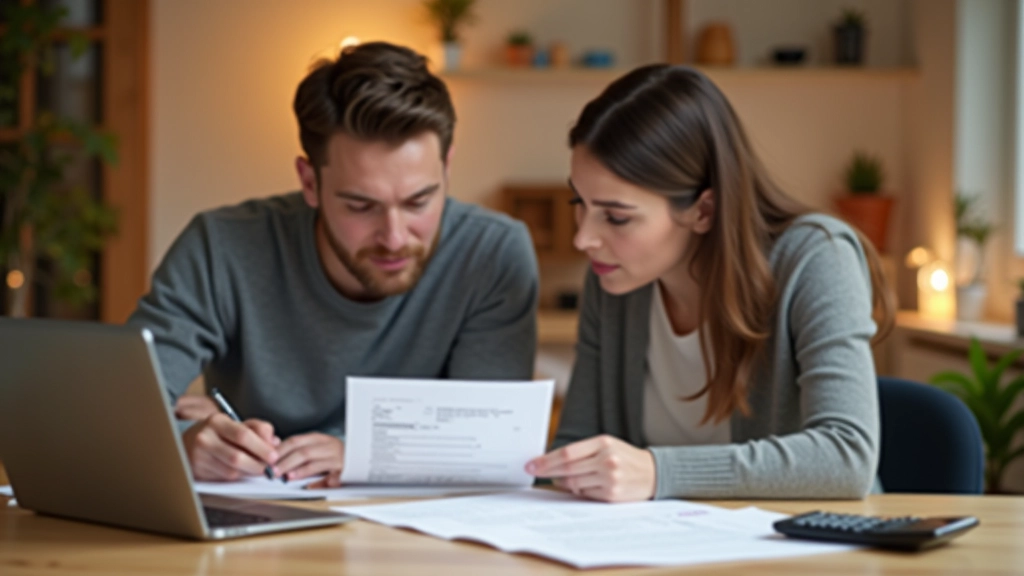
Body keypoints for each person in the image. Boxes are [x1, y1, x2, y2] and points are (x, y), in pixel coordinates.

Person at [129, 42, 538, 488]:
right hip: (257, 531)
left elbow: (490, 443)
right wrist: (187, 443)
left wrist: (361, 455)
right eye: (361, 206)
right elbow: (118, 409)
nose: (395, 236)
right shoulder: (221, 247)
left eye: (419, 200)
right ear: (310, 182)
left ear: (447, 167)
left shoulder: (492, 254)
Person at [524, 64, 894, 502]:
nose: (583, 238)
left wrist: (659, 472)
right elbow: (577, 444)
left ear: (703, 211)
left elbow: (847, 458)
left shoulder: (815, 258)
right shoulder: (612, 278)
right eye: (578, 203)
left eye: (616, 217)